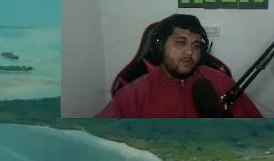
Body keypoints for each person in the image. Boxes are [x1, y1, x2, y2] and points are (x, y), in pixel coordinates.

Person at [97, 13, 262, 118]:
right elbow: (98, 138)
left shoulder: (220, 83)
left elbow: (258, 130)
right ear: (160, 47)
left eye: (196, 46)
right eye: (180, 43)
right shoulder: (134, 95)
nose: (190, 52)